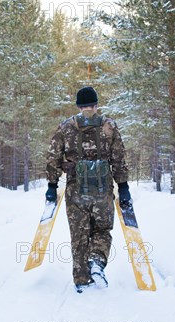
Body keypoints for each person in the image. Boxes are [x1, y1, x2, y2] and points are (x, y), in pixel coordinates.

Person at [45, 86, 131, 293]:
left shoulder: (65, 127)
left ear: (78, 105)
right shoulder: (109, 126)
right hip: (102, 192)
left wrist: (51, 185)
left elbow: (53, 158)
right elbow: (119, 159)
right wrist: (123, 186)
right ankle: (96, 261)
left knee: (79, 235)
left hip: (76, 192)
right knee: (102, 230)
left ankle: (82, 279)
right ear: (96, 104)